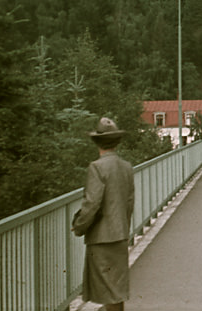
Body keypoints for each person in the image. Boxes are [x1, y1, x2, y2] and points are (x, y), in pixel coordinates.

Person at [73, 117, 135, 311]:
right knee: (116, 289)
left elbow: (92, 203)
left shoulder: (96, 167)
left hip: (101, 238)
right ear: (116, 142)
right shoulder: (126, 167)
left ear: (97, 142)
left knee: (108, 290)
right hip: (120, 234)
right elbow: (129, 203)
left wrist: (79, 226)